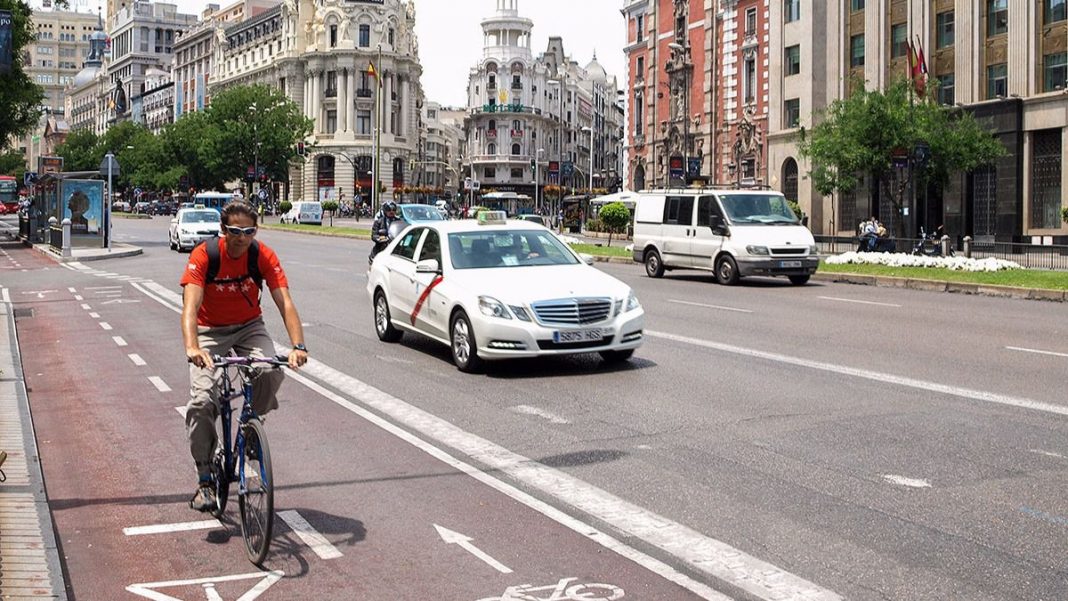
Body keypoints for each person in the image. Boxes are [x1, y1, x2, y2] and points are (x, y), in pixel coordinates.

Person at [180, 201, 308, 512]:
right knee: (201, 402)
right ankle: (205, 478)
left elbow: (285, 301)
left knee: (270, 370)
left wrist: (298, 346)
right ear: (223, 231)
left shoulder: (261, 255)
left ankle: (252, 424)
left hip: (249, 326)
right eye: (235, 231)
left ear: (255, 231)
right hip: (209, 330)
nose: (242, 237)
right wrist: (193, 347)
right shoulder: (205, 255)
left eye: (248, 231)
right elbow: (190, 307)